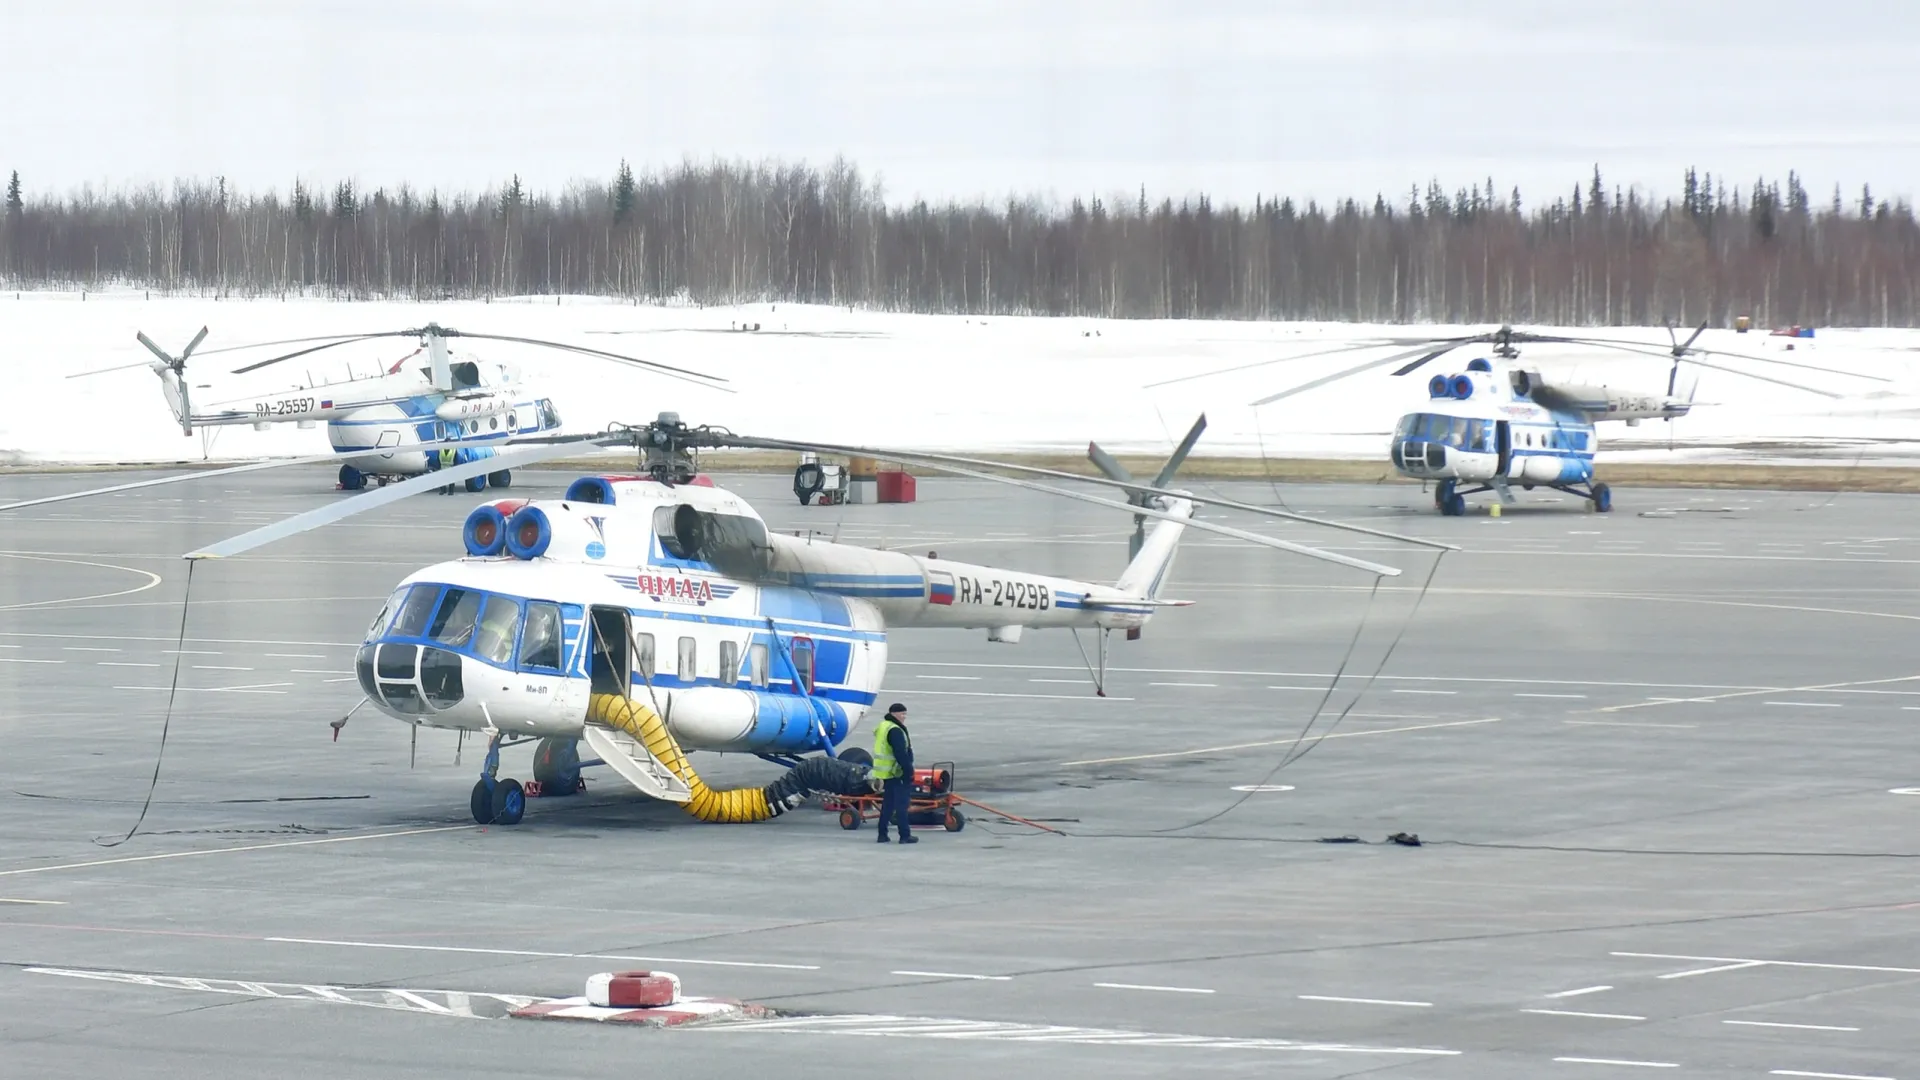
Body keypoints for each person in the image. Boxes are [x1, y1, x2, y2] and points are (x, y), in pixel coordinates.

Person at [869, 703, 916, 844]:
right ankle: (904, 835)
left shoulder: (883, 726)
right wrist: (908, 771)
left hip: (886, 773)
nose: (904, 717)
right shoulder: (895, 730)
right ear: (894, 714)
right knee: (901, 806)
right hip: (897, 773)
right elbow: (900, 753)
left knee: (887, 805)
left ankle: (882, 834)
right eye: (902, 714)